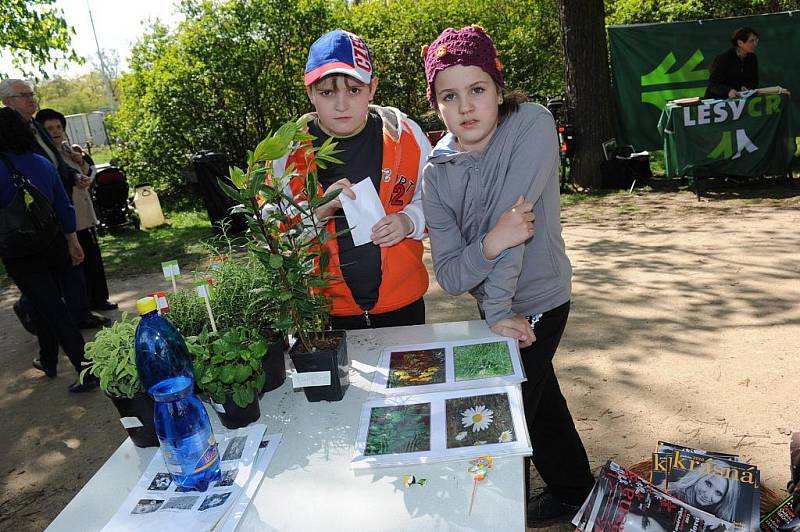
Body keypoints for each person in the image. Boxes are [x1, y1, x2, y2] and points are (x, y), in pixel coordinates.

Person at [421, 25, 594, 522]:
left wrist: (499, 307)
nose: (466, 106)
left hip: (541, 299)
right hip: (495, 309)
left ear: (499, 89)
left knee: (507, 409)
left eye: (477, 89)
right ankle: (572, 488)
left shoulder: (532, 124)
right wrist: (492, 243)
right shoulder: (437, 171)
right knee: (541, 400)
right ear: (436, 106)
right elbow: (452, 276)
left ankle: (498, 513)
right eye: (449, 96)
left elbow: (516, 216)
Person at [283, 29, 431, 330]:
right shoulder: (287, 152)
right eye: (327, 92)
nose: (341, 104)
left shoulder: (406, 136)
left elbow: (437, 201)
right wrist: (320, 210)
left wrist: (408, 221)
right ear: (310, 91)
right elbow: (276, 234)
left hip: (403, 305)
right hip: (326, 315)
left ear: (373, 87)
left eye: (354, 90)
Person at [0, 107, 99, 392]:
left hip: (20, 250)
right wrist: (73, 240)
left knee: (52, 307)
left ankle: (87, 371)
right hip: (54, 242)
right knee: (45, 301)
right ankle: (48, 359)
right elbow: (63, 206)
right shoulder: (42, 163)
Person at [35, 108, 117, 312]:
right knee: (77, 265)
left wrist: (81, 161)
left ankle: (100, 299)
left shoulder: (68, 150)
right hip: (68, 219)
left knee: (94, 261)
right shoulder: (45, 156)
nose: (55, 132)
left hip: (86, 215)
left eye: (58, 127)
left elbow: (89, 176)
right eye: (50, 128)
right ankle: (84, 306)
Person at [664, 459, 740, 523]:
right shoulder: (670, 493)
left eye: (718, 493)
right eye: (708, 484)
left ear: (724, 500)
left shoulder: (718, 520)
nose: (708, 495)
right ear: (698, 477)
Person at [705, 27, 759, 100]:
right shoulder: (724, 58)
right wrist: (728, 91)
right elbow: (713, 85)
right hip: (717, 101)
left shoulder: (752, 58)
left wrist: (747, 87)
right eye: (751, 41)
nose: (755, 44)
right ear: (740, 43)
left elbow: (753, 81)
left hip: (739, 100)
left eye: (756, 40)